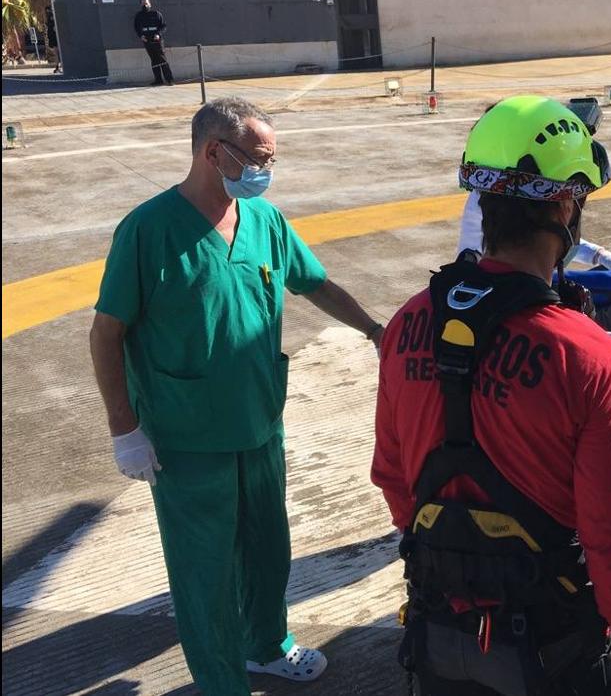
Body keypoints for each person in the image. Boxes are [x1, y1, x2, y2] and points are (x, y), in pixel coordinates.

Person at [89, 97, 387, 695]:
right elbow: (106, 333)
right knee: (206, 572)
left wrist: (377, 331)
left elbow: (315, 283)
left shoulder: (264, 221)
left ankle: (266, 646)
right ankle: (222, 683)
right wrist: (125, 429)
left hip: (258, 422)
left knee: (268, 547)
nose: (265, 170)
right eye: (258, 158)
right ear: (213, 152)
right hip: (186, 436)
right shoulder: (148, 230)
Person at [373, 96, 611, 696]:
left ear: (483, 200)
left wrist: (451, 562)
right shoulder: (584, 354)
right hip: (554, 649)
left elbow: (393, 477)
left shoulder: (408, 324)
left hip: (440, 634)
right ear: (565, 205)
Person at [458, 189, 611, 271]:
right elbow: (539, 240)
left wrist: (597, 254)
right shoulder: (499, 195)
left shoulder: (490, 190)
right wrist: (596, 255)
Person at [134, 0, 173, 86]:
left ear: (150, 4)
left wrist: (158, 34)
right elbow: (136, 28)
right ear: (140, 5)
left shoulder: (156, 14)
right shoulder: (138, 16)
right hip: (147, 40)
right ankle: (158, 80)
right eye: (143, 4)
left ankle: (169, 79)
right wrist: (141, 36)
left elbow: (163, 26)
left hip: (157, 40)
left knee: (162, 59)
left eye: (146, 3)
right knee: (154, 60)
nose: (145, 5)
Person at [44, 5, 60, 73]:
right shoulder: (51, 17)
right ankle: (57, 66)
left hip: (53, 37)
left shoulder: (51, 17)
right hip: (53, 37)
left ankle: (57, 66)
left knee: (56, 52)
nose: (47, 12)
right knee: (56, 52)